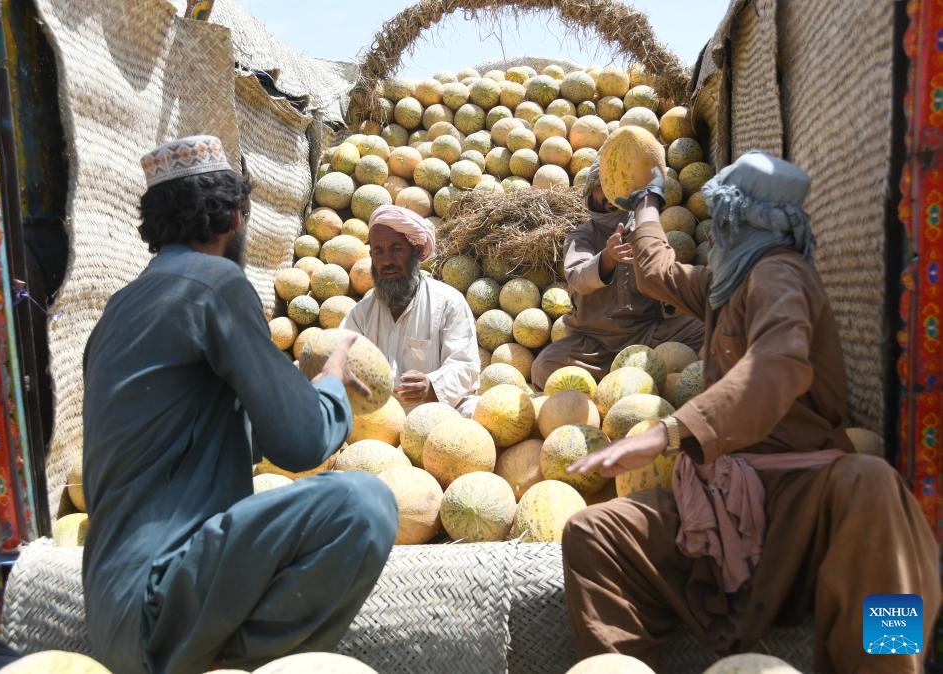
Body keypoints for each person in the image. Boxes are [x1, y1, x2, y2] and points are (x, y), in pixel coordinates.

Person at [562, 151, 941, 673]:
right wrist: (646, 202)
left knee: (873, 492)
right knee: (594, 535)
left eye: (722, 220)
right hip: (723, 496)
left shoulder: (780, 277)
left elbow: (775, 366)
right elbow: (657, 273)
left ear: (745, 222)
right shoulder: (729, 284)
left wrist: (671, 432)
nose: (714, 234)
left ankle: (892, 665)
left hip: (800, 499)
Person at [81, 135, 398, 674]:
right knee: (363, 504)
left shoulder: (116, 311)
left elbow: (207, 435)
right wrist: (330, 383)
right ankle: (237, 664)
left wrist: (288, 387)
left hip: (112, 610)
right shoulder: (215, 284)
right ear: (235, 218)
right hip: (164, 601)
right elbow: (301, 444)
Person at [529, 157, 704, 390]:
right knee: (543, 367)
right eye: (604, 187)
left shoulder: (644, 232)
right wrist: (608, 258)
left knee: (706, 329)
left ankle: (642, 372)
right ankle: (626, 376)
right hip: (593, 344)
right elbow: (577, 278)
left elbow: (665, 277)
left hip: (646, 333)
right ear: (590, 192)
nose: (611, 196)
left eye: (618, 187)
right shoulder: (581, 236)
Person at [341, 204, 481, 413]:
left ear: (414, 251)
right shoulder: (361, 314)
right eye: (378, 252)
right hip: (379, 420)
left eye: (396, 249)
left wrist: (431, 385)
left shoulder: (449, 303)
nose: (387, 261)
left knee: (474, 410)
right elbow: (339, 358)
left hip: (434, 418)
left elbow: (465, 367)